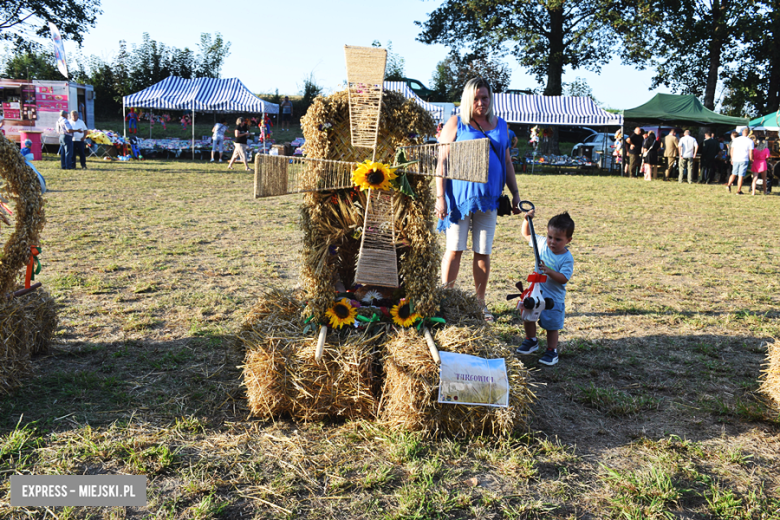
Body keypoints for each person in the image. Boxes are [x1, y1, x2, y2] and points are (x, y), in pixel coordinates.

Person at [435, 77, 520, 322]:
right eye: (476, 98)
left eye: (485, 97)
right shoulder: (456, 124)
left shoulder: (501, 125)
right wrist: (440, 197)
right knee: (455, 249)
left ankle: (479, 303)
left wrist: (515, 194)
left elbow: (506, 162)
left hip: (489, 199)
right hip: (458, 200)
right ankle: (446, 300)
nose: (481, 103)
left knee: (483, 252)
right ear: (467, 99)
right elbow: (442, 163)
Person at [516, 210, 575, 367]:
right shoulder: (541, 244)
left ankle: (551, 350)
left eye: (558, 239)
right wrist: (527, 220)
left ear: (568, 240)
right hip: (535, 293)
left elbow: (564, 278)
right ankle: (531, 340)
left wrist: (549, 271)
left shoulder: (566, 258)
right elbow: (527, 234)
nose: (552, 242)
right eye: (550, 237)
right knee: (528, 316)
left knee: (551, 325)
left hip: (553, 298)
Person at [726, 128, 754, 194]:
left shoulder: (735, 140)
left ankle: (729, 185)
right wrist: (751, 160)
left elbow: (731, 150)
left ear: (742, 132)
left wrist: (732, 158)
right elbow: (750, 153)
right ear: (748, 133)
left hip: (735, 158)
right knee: (741, 175)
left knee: (733, 173)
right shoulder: (750, 141)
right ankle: (738, 190)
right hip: (744, 159)